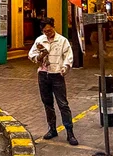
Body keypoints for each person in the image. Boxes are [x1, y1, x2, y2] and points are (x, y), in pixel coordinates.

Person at [28, 17, 78, 146]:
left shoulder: (62, 41)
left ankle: (70, 132)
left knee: (63, 104)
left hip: (57, 75)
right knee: (47, 103)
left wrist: (65, 67)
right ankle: (52, 129)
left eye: (49, 30)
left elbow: (68, 56)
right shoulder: (40, 40)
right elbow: (31, 55)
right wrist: (39, 56)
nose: (48, 33)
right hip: (43, 75)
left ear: (53, 27)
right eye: (45, 31)